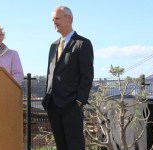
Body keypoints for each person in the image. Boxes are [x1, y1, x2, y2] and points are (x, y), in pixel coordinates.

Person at [42, 6, 94, 150]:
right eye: (52, 20)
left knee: (75, 145)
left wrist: (78, 101)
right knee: (61, 145)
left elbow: (87, 75)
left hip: (71, 104)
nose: (54, 22)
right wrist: (48, 96)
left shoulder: (82, 43)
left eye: (57, 18)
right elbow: (50, 73)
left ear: (68, 18)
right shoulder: (53, 46)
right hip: (53, 104)